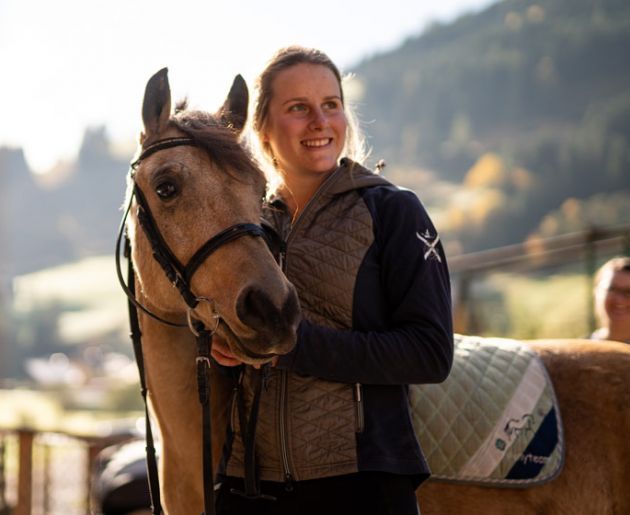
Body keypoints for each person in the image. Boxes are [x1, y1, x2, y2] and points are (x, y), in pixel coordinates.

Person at [210, 45, 453, 515]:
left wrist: (290, 346)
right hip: (247, 483)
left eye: (331, 105)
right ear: (262, 128)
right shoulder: (244, 227)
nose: (320, 121)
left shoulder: (393, 211)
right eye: (298, 108)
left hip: (363, 483)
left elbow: (431, 353)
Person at [590, 256, 630, 344]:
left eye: (628, 292)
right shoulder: (576, 352)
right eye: (611, 289)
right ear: (595, 292)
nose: (619, 300)